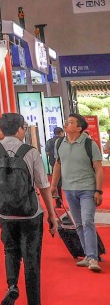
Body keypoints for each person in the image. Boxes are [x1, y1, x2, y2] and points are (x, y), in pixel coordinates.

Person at [0, 113, 58, 305]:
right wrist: (52, 214)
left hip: (5, 212)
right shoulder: (31, 152)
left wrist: (4, 190)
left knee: (10, 251)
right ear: (20, 129)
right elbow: (43, 185)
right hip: (31, 213)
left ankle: (12, 285)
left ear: (2, 129)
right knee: (32, 258)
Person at [49, 113, 104, 272]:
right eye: (66, 121)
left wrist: (98, 190)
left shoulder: (89, 144)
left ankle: (93, 258)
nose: (67, 124)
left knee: (87, 221)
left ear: (79, 128)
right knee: (78, 223)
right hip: (68, 189)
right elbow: (58, 165)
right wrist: (53, 185)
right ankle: (87, 255)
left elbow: (98, 169)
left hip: (87, 189)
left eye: (71, 122)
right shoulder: (60, 143)